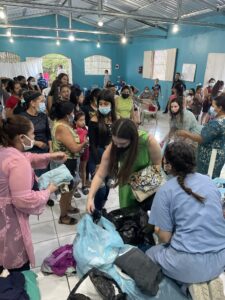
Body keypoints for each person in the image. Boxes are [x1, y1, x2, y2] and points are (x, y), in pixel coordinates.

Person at [146, 141, 225, 293]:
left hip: (188, 265)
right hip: (220, 258)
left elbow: (165, 238)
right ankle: (202, 283)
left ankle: (185, 285)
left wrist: (157, 229)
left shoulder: (165, 191)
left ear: (168, 164)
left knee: (151, 253)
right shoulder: (209, 181)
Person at [0, 115, 66, 271]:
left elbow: (27, 157)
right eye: (32, 134)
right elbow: (23, 199)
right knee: (14, 261)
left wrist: (50, 156)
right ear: (21, 137)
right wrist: (48, 191)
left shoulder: (6, 152)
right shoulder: (17, 161)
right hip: (9, 219)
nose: (34, 137)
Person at [87, 118, 162, 212]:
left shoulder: (148, 141)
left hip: (147, 185)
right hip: (127, 187)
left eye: (122, 143)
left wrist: (140, 184)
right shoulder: (113, 147)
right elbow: (100, 174)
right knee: (130, 219)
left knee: (147, 217)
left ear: (133, 139)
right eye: (114, 142)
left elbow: (158, 165)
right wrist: (90, 198)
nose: (118, 146)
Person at [50, 101, 88, 225]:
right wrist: (85, 142)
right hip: (64, 163)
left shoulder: (65, 123)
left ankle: (68, 207)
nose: (74, 113)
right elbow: (74, 148)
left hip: (69, 162)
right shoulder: (61, 127)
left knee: (71, 186)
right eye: (73, 111)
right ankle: (63, 216)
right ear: (67, 114)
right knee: (65, 190)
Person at [176, 94, 225, 178]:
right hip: (219, 153)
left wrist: (186, 134)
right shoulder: (221, 119)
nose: (211, 108)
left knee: (206, 177)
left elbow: (202, 139)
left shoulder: (217, 123)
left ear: (220, 108)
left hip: (210, 157)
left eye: (213, 106)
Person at [88, 89, 117, 211]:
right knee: (101, 188)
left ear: (112, 105)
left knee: (109, 186)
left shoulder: (116, 119)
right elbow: (92, 144)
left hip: (111, 158)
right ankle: (96, 211)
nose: (103, 106)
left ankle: (100, 208)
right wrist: (98, 163)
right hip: (97, 157)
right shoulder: (94, 120)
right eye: (101, 104)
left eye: (106, 104)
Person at [21, 91, 52, 176]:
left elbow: (48, 134)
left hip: (45, 151)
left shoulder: (43, 116)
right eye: (41, 101)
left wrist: (51, 149)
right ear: (32, 103)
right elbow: (20, 138)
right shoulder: (23, 118)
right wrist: (36, 143)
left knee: (45, 177)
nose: (43, 104)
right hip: (31, 152)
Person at [74, 111, 89, 195]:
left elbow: (87, 139)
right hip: (76, 152)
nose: (83, 122)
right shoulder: (73, 130)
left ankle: (83, 185)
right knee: (76, 170)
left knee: (83, 168)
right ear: (75, 121)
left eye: (84, 119)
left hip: (85, 151)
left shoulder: (86, 128)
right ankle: (75, 188)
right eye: (80, 120)